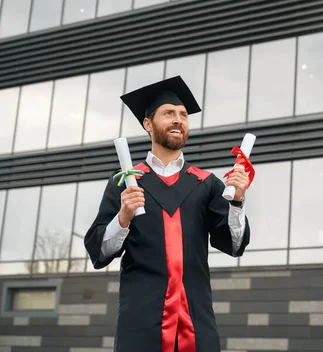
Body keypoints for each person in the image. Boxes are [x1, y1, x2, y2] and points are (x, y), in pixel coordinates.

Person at [84, 76, 251, 352]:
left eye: (183, 115)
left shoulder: (206, 183)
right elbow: (99, 252)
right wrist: (123, 216)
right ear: (148, 124)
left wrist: (238, 202)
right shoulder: (125, 182)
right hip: (141, 322)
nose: (178, 119)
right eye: (169, 113)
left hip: (195, 320)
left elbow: (234, 245)